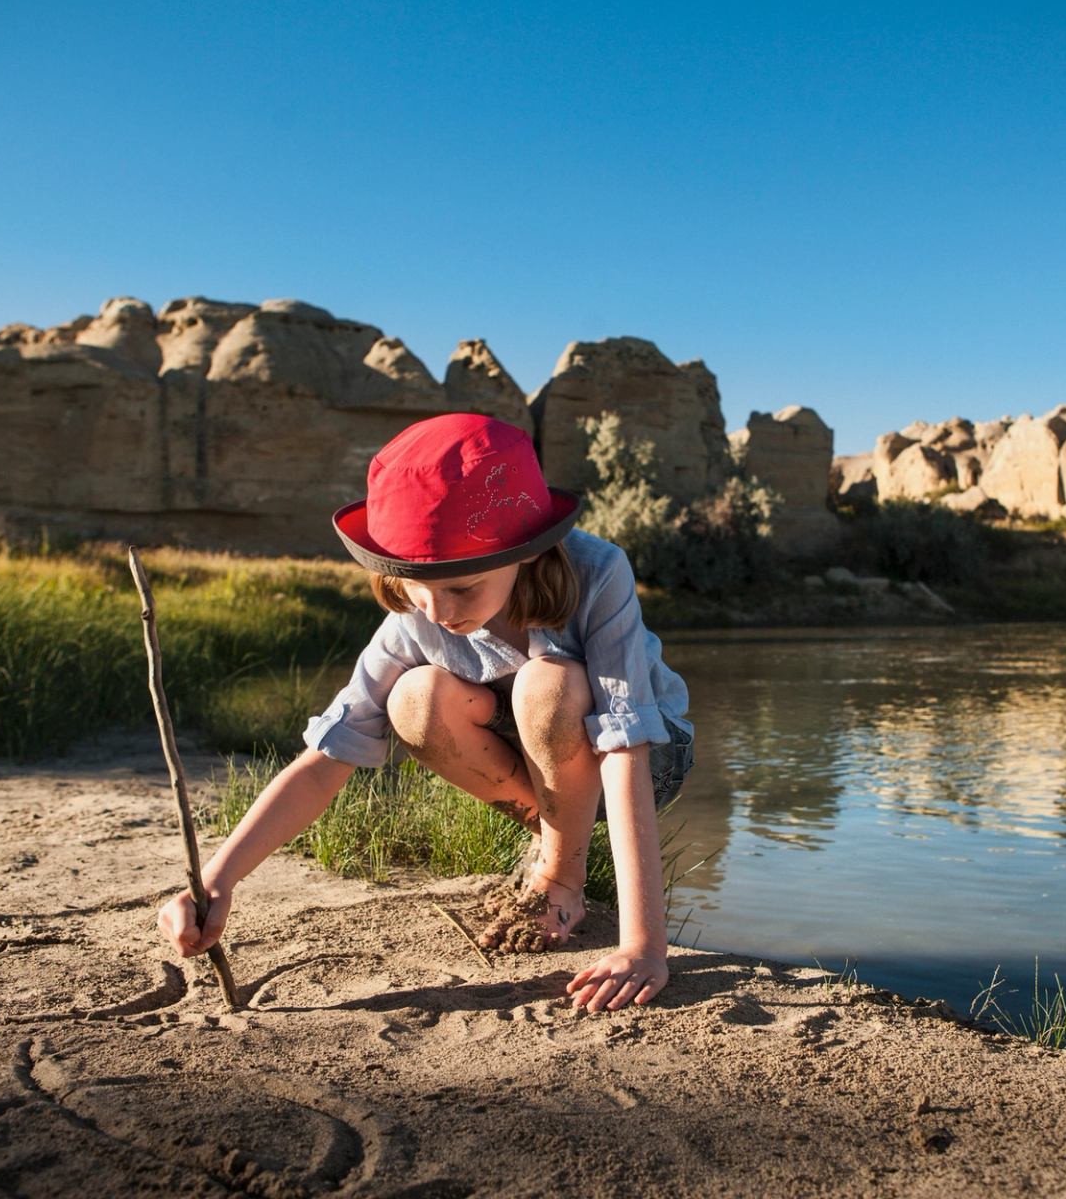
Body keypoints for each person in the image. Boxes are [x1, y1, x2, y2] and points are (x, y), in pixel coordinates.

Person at [157, 412, 693, 1011]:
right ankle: (556, 855)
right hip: (536, 766)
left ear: (528, 552)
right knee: (413, 698)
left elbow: (624, 745)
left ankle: (561, 878)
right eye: (417, 584)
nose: (438, 611)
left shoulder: (598, 573)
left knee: (547, 684)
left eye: (464, 587)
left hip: (649, 757)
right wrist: (216, 881)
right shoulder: (413, 621)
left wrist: (643, 945)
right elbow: (325, 759)